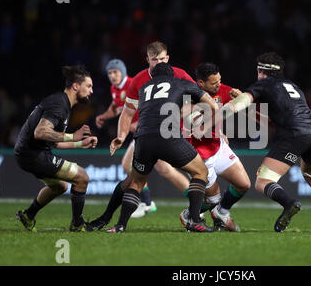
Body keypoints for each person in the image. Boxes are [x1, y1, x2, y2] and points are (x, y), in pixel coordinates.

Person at [220, 52, 311, 232]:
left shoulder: (264, 84)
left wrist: (219, 114)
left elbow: (242, 101)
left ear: (262, 71)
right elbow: (271, 122)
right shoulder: (293, 86)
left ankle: (289, 204)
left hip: (294, 135)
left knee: (263, 181)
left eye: (258, 71)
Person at [89, 42, 194, 230]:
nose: (159, 62)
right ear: (148, 60)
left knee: (166, 171)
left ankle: (146, 206)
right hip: (145, 134)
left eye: (162, 59)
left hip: (169, 133)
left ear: (168, 58)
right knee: (147, 171)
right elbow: (125, 112)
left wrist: (184, 117)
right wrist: (120, 134)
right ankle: (145, 205)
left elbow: (196, 98)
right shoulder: (137, 81)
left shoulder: (178, 74)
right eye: (155, 60)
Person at [108, 62, 218, 233]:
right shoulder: (180, 82)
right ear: (171, 75)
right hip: (168, 137)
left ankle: (120, 225)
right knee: (200, 172)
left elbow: (130, 111)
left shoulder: (143, 88)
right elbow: (212, 104)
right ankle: (195, 220)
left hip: (143, 139)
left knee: (136, 182)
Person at [14, 65, 98, 232]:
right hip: (33, 154)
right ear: (75, 86)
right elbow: (41, 132)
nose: (91, 91)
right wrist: (73, 136)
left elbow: (55, 142)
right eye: (88, 86)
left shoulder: (63, 104)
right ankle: (77, 224)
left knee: (60, 187)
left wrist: (80, 144)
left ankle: (28, 215)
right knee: (82, 178)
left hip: (30, 153)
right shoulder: (59, 104)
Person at [179, 62, 251, 232]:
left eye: (220, 80)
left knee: (244, 184)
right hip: (199, 155)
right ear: (201, 83)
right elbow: (185, 118)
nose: (219, 84)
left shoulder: (224, 90)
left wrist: (241, 98)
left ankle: (221, 214)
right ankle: (189, 214)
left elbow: (246, 109)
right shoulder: (189, 95)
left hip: (218, 147)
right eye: (214, 82)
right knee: (213, 199)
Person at [95, 58, 157, 218]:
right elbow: (116, 107)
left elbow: (148, 102)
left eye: (115, 72)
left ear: (122, 72)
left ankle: (147, 202)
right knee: (129, 165)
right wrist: (104, 116)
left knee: (163, 169)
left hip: (147, 130)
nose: (112, 75)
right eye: (109, 73)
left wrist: (141, 121)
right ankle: (147, 202)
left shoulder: (132, 83)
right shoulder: (115, 88)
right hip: (140, 134)